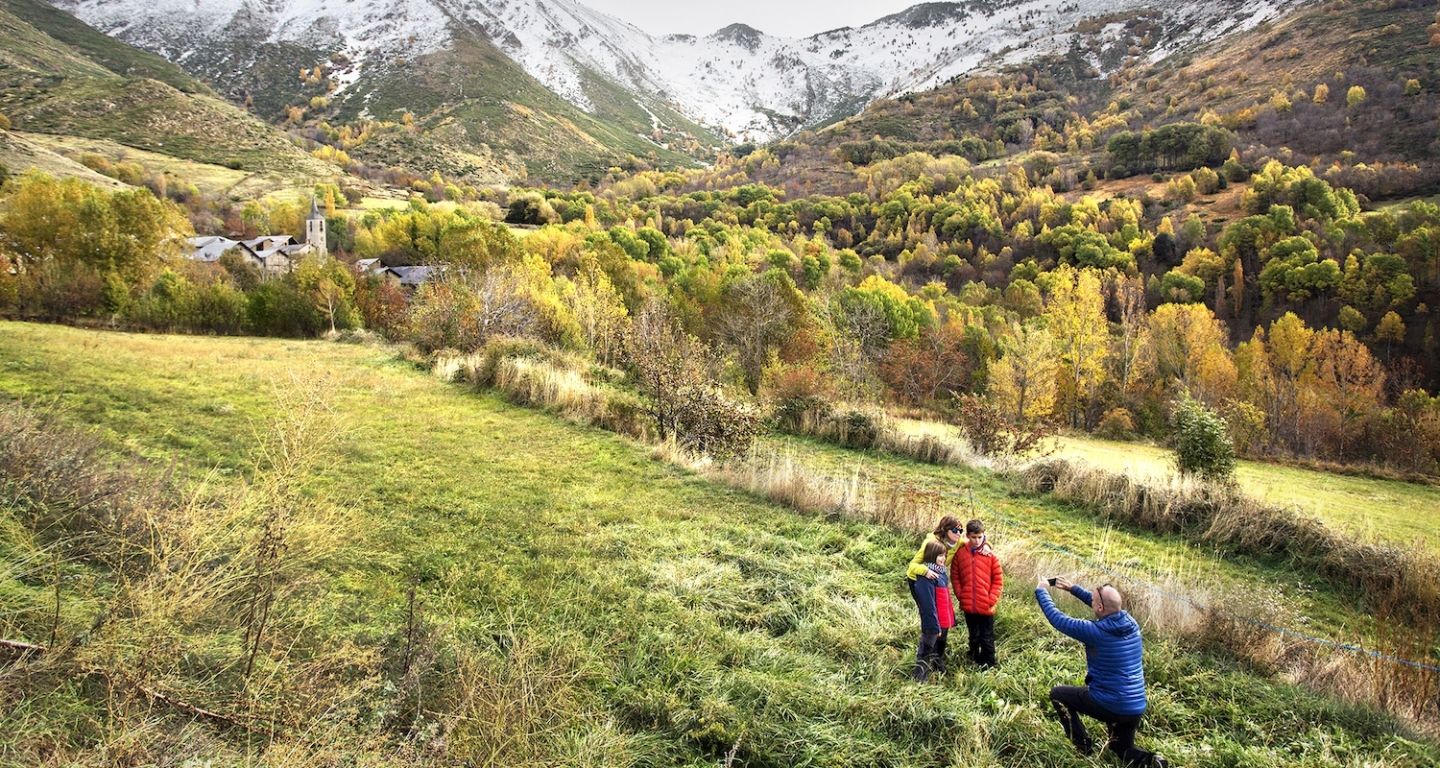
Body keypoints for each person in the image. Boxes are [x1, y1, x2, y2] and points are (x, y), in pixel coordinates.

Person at [1035, 577, 1167, 768]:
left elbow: (1058, 619)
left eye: (1095, 601)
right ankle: (1152, 761)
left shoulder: (1095, 632)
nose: (1092, 601)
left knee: (1059, 694)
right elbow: (1104, 605)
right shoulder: (1130, 623)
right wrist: (1073, 588)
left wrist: (1042, 591)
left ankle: (1083, 745)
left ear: (1099, 608)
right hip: (1135, 706)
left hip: (1110, 703)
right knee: (1119, 748)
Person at [906, 515, 962, 681]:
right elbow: (913, 566)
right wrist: (925, 571)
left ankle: (937, 659)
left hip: (938, 582)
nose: (959, 533)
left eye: (960, 530)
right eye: (955, 530)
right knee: (930, 628)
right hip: (920, 576)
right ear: (945, 530)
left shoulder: (943, 571)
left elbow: (974, 541)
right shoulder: (929, 545)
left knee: (941, 628)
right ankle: (921, 673)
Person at [951, 518, 1003, 668]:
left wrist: (991, 599)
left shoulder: (990, 556)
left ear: (984, 535)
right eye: (973, 537)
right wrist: (961, 595)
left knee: (986, 635)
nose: (977, 541)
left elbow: (998, 579)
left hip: (986, 605)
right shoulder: (960, 555)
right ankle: (973, 655)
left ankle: (988, 663)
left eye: (980, 537)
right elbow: (955, 576)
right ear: (967, 536)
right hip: (968, 603)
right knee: (973, 633)